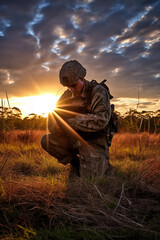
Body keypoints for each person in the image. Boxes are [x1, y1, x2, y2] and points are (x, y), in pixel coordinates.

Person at [41, 60, 111, 180]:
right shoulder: (67, 95)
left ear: (82, 78)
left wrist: (71, 122)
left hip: (94, 141)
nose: (71, 89)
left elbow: (101, 120)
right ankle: (76, 163)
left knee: (90, 179)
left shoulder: (98, 91)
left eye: (74, 85)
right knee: (47, 140)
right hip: (74, 139)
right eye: (68, 87)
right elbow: (54, 114)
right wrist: (56, 125)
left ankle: (102, 163)